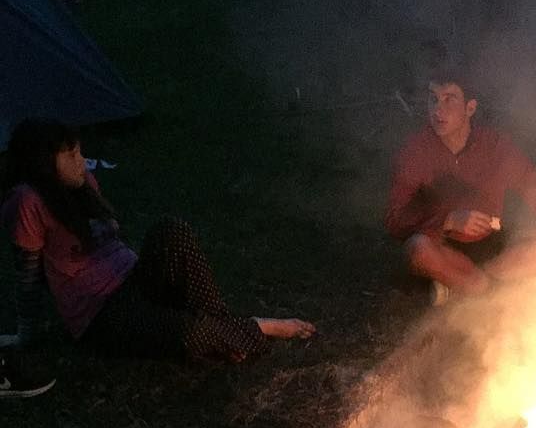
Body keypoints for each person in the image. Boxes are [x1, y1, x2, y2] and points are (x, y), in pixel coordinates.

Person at [1, 120, 315, 369]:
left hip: (134, 280)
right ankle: (254, 328)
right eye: (71, 156)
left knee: (172, 230)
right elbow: (26, 276)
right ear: (44, 163)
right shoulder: (28, 201)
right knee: (190, 334)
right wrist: (27, 335)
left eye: (80, 152)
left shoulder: (83, 185)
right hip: (101, 314)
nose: (82, 162)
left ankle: (225, 331)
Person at [385, 55, 536, 305]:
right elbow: (394, 218)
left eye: (449, 100)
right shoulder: (417, 150)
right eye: (433, 100)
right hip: (444, 247)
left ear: (470, 108)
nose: (438, 110)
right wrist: (448, 220)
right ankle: (486, 291)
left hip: (494, 249)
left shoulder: (494, 146)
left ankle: (467, 287)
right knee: (418, 249)